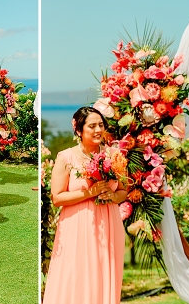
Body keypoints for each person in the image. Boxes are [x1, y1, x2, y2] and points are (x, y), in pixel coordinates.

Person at [43, 107, 126, 304]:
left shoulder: (114, 155)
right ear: (79, 130)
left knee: (105, 270)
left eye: (101, 125)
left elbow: (123, 191)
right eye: (92, 126)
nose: (98, 130)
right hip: (77, 224)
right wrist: (91, 192)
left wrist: (112, 196)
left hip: (109, 222)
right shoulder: (66, 157)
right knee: (77, 274)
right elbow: (57, 198)